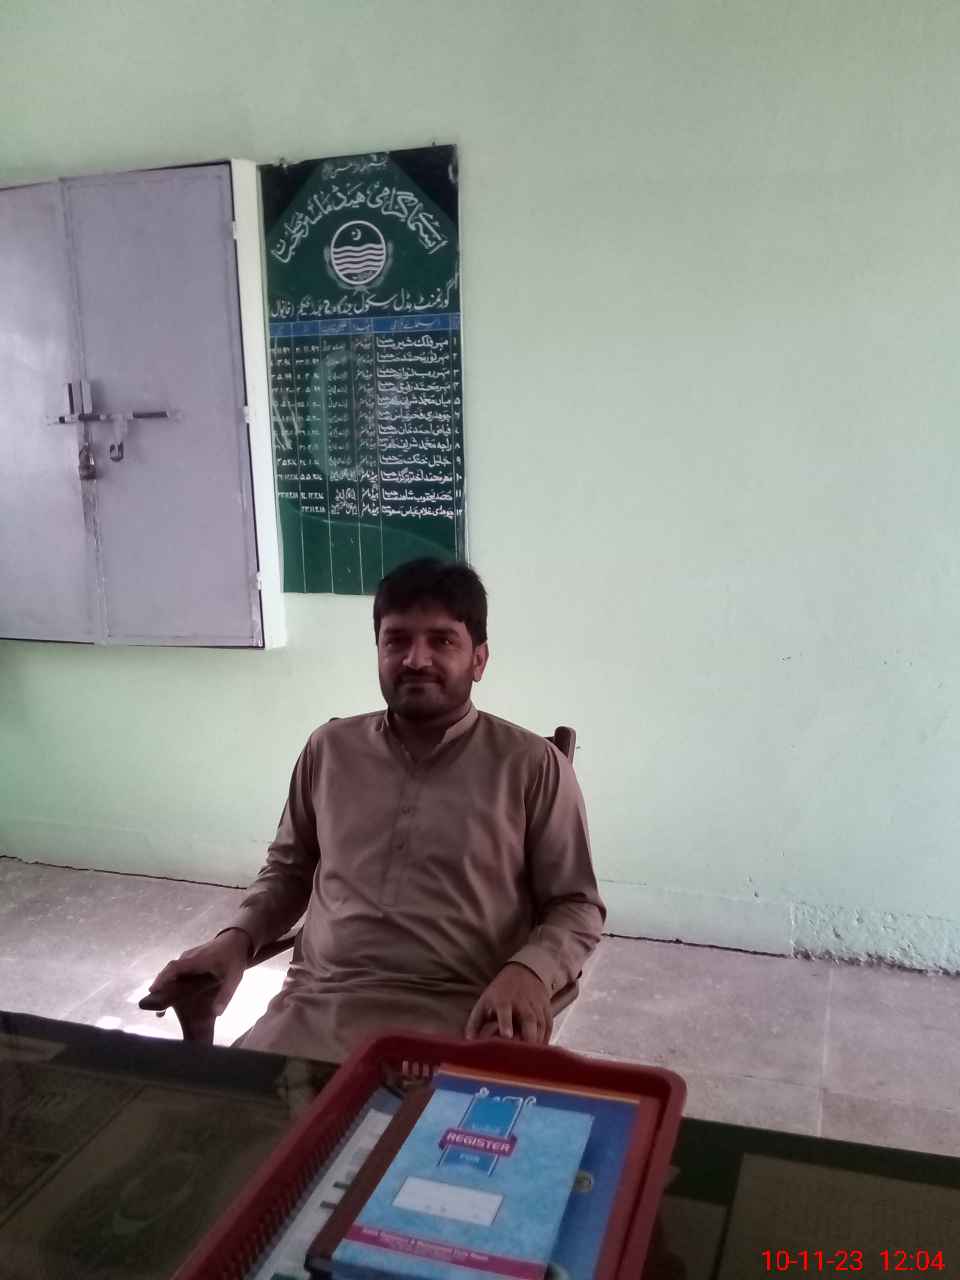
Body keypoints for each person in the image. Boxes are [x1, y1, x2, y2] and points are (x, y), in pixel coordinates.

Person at [148, 558, 605, 1062]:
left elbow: (576, 905)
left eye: (442, 641)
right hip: (316, 1007)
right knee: (229, 1111)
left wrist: (531, 971)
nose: (415, 660)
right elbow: (288, 872)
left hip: (465, 1016)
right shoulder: (330, 750)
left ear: (479, 660)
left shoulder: (531, 766)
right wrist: (234, 940)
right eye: (396, 640)